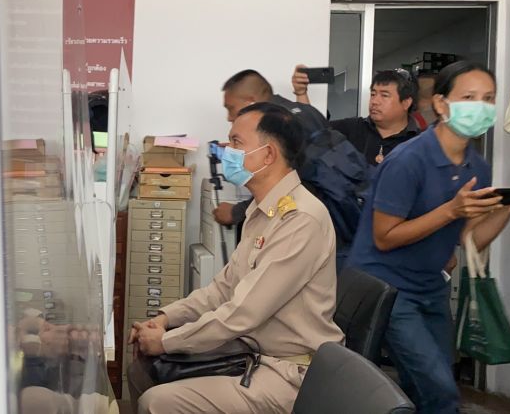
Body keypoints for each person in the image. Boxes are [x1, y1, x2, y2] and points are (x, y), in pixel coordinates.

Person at [128, 103, 343, 414]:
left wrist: (167, 341)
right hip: (253, 353)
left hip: (289, 372)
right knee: (142, 371)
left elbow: (243, 312)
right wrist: (165, 318)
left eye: (236, 142)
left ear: (268, 155)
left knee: (157, 403)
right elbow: (223, 289)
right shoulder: (262, 211)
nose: (226, 151)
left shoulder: (300, 219)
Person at [348, 61, 510, 413]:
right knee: (437, 390)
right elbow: (385, 237)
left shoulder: (477, 166)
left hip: (431, 287)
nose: (481, 106)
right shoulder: (408, 160)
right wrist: (451, 211)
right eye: (469, 97)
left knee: (437, 384)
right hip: (388, 289)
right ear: (441, 103)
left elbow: (470, 240)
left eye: (488, 98)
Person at [215, 69, 329, 227]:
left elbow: (295, 185)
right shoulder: (305, 111)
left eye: (231, 108)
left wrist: (237, 212)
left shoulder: (284, 123)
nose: (229, 117)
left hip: (306, 223)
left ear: (250, 102)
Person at [292, 66, 420, 166]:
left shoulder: (419, 143)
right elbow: (313, 132)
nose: (375, 101)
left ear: (406, 103)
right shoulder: (353, 128)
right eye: (373, 94)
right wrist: (301, 93)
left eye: (384, 95)